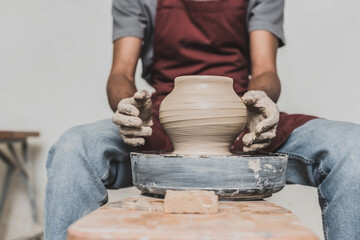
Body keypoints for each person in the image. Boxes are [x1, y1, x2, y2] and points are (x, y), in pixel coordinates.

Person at [44, 0, 360, 239]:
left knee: (352, 146)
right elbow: (120, 73)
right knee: (72, 148)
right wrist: (127, 104)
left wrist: (259, 100)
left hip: (242, 112)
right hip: (164, 116)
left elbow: (265, 71)